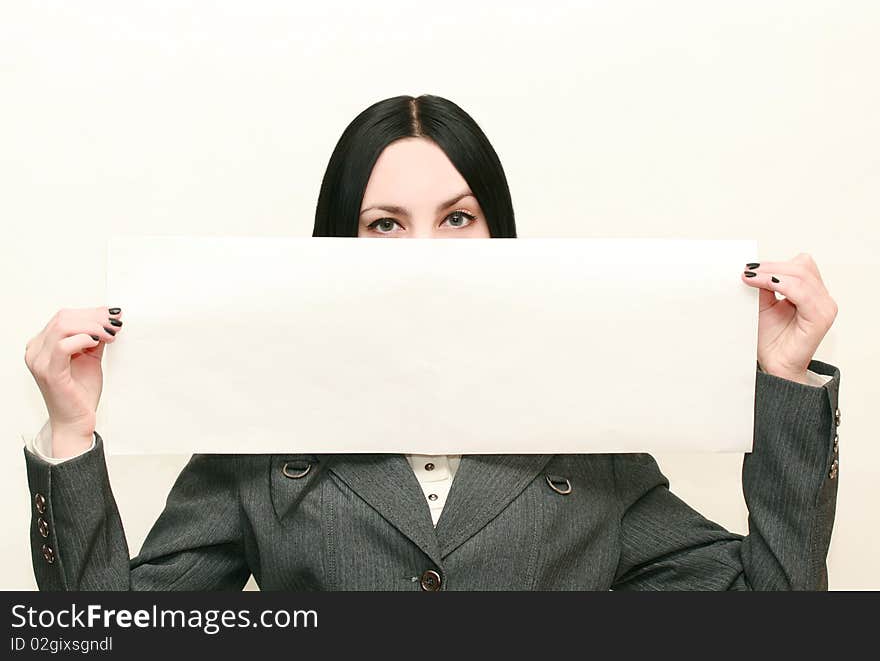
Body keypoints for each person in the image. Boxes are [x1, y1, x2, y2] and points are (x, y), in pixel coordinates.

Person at [21, 94, 841, 591]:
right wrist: (71, 436)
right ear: (339, 245)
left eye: (456, 218)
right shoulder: (263, 443)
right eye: (385, 224)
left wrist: (784, 380)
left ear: (497, 236)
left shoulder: (589, 443)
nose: (424, 252)